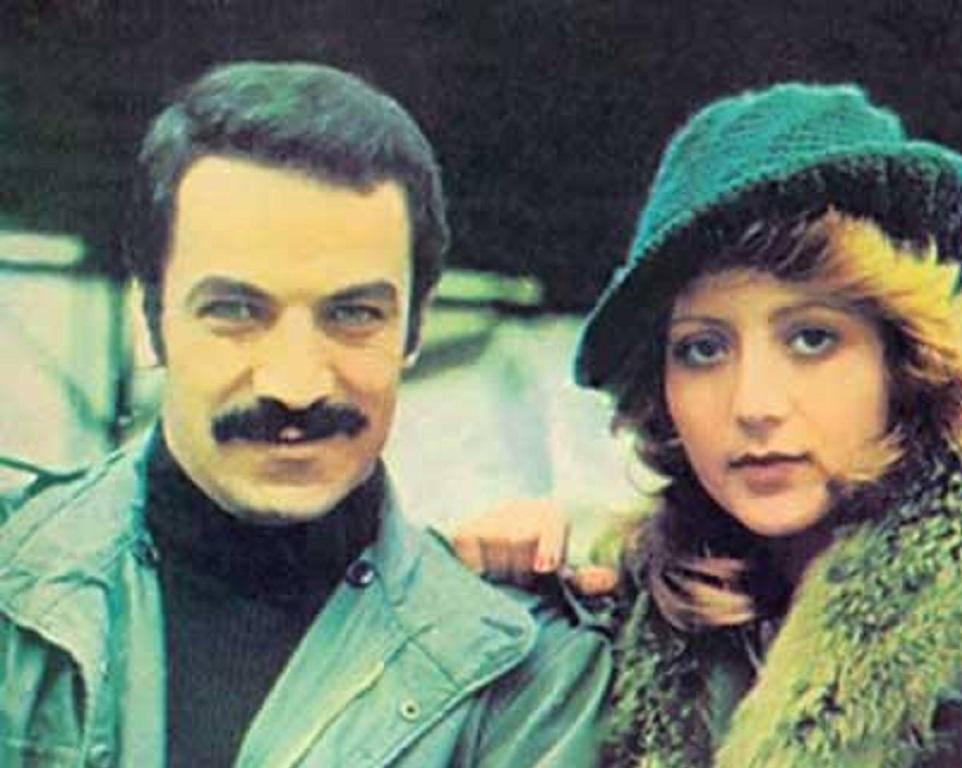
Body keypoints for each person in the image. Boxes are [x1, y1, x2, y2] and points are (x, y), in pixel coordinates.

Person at [453, 82, 962, 766]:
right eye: (703, 349)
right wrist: (499, 587)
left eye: (811, 339)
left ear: (902, 356)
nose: (754, 404)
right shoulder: (644, 617)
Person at [0, 61, 609, 767]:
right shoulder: (16, 581)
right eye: (236, 310)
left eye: (353, 314)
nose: (294, 387)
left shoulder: (524, 670)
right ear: (151, 319)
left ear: (414, 329)